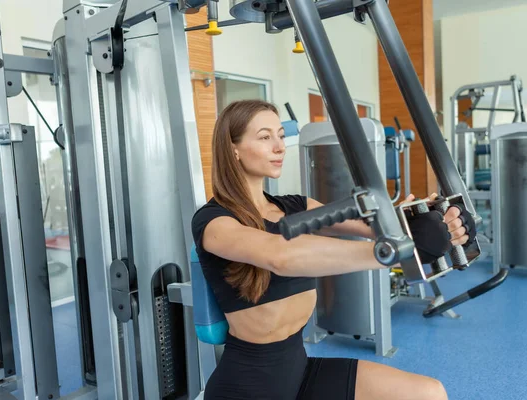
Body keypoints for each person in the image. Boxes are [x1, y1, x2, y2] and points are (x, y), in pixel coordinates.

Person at [191, 100, 473, 400]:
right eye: (264, 137)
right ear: (233, 148)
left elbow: (373, 224)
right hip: (247, 386)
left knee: (428, 393)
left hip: (300, 372)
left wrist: (432, 218)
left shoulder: (296, 206)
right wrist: (388, 253)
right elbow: (281, 256)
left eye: (280, 135)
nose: (279, 147)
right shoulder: (213, 221)